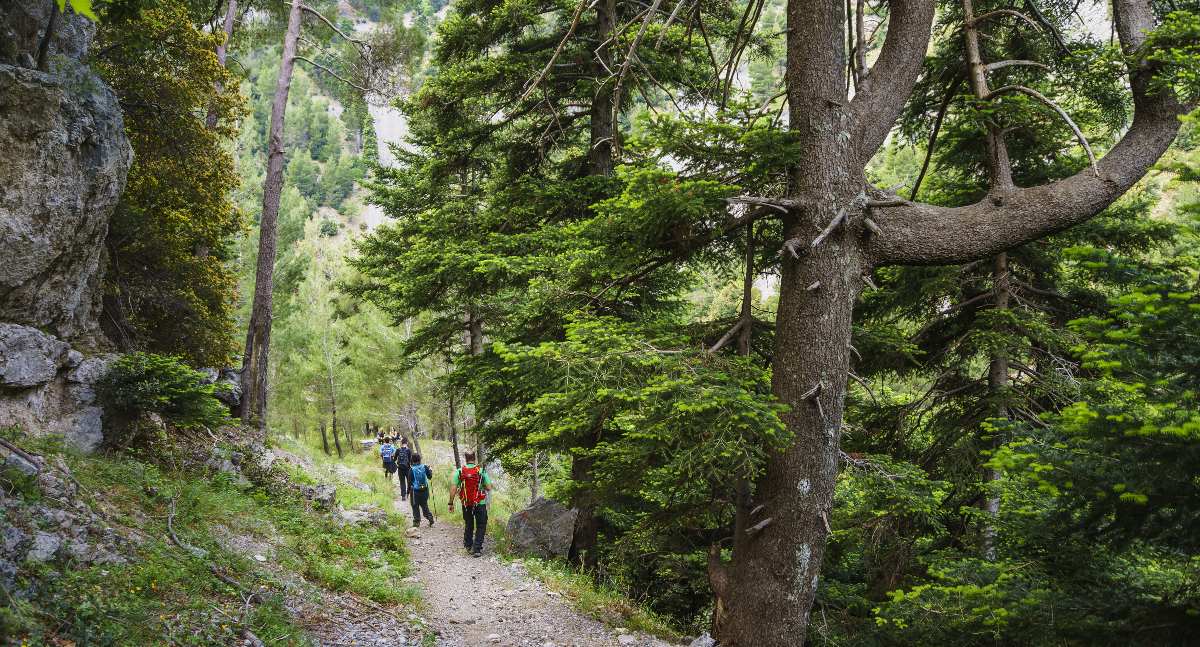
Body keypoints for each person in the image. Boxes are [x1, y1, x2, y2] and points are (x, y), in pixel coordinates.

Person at [448, 451, 491, 557]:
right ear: (474, 458)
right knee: (481, 525)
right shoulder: (481, 471)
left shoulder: (459, 471)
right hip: (479, 503)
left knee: (469, 523)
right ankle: (477, 549)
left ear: (466, 459)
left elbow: (453, 488)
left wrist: (450, 503)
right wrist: (482, 486)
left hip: (466, 503)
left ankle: (468, 545)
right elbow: (489, 487)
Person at [408, 452, 435, 527]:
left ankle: (416, 522)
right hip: (425, 490)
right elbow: (430, 477)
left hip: (415, 492)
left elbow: (409, 482)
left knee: (415, 506)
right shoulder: (425, 467)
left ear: (412, 460)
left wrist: (407, 492)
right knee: (424, 505)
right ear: (419, 459)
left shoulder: (411, 469)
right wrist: (430, 470)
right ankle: (430, 518)